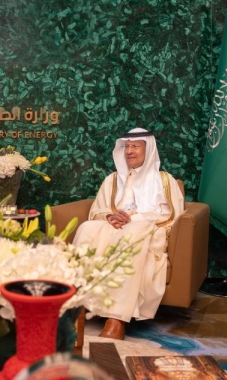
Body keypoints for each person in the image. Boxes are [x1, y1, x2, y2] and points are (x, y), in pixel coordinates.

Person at [73, 128, 184, 340]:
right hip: (114, 227)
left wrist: (134, 218)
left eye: (135, 146)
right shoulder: (113, 180)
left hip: (147, 230)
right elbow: (98, 209)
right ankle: (76, 307)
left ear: (148, 149)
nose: (129, 151)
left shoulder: (163, 180)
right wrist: (110, 217)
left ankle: (116, 319)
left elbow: (171, 214)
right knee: (87, 228)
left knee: (132, 232)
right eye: (126, 146)